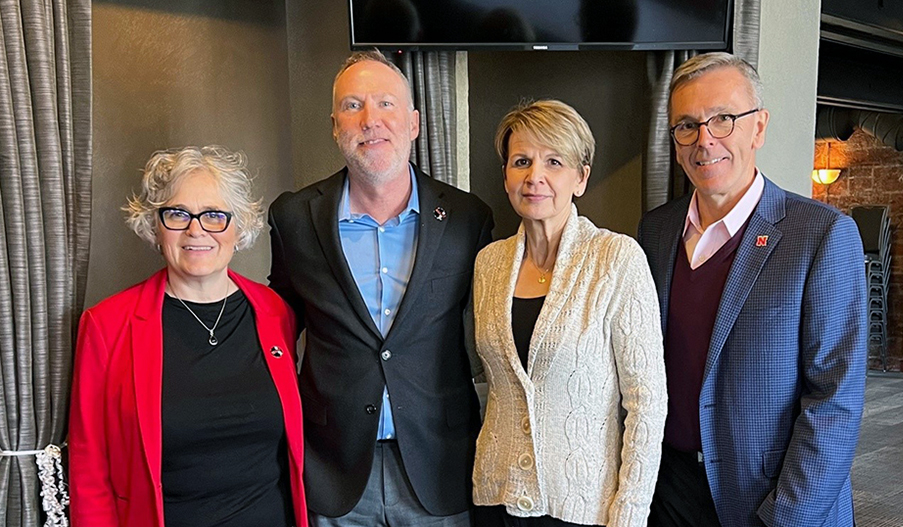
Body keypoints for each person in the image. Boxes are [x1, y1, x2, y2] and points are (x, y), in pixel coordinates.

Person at [638, 52, 867, 527]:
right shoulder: (655, 232)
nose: (705, 140)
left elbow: (835, 401)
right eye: (686, 125)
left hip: (768, 501)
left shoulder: (822, 234)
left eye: (723, 119)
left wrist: (783, 517)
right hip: (669, 493)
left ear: (758, 127)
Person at [267, 51, 494, 526]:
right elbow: (276, 338)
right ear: (335, 125)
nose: (371, 120)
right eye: (353, 106)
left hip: (439, 467)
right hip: (333, 470)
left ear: (413, 122)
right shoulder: (293, 218)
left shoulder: (468, 219)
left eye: (386, 104)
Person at [69, 146, 308, 527]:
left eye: (214, 215)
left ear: (238, 225)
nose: (196, 229)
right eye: (178, 214)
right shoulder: (106, 326)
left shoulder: (275, 312)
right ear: (155, 225)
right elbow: (89, 472)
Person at [471, 99, 667, 527]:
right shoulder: (488, 263)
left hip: (582, 506)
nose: (534, 176)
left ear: (580, 178)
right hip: (496, 498)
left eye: (554, 161)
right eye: (521, 161)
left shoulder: (616, 259)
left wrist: (630, 512)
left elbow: (646, 402)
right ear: (506, 175)